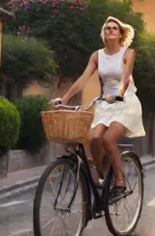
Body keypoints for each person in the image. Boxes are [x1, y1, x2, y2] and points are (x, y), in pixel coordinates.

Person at [51, 16, 145, 199]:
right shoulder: (97, 56)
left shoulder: (128, 53)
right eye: (107, 28)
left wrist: (118, 94)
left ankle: (119, 181)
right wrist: (64, 98)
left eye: (114, 28)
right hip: (105, 102)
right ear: (104, 33)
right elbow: (83, 79)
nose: (110, 30)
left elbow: (125, 78)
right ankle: (103, 177)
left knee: (108, 139)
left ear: (120, 34)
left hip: (125, 101)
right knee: (93, 138)